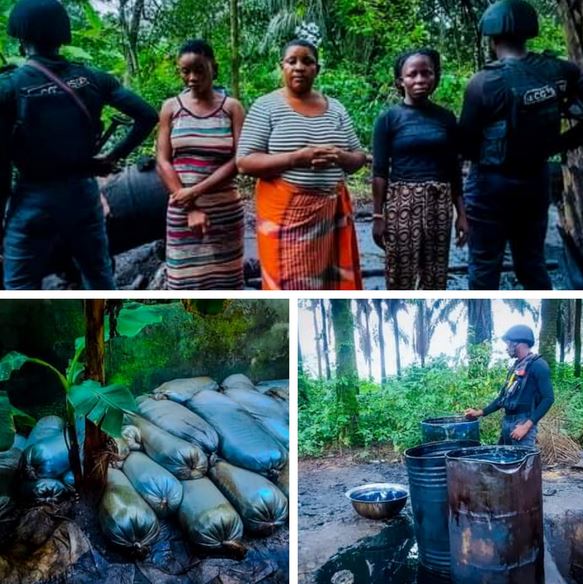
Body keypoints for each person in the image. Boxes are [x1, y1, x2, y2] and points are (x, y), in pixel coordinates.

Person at [0, 0, 158, 290]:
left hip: (34, 198)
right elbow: (147, 116)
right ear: (63, 34)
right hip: (83, 194)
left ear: (21, 39)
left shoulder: (10, 86)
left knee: (19, 287)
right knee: (99, 279)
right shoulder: (91, 77)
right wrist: (113, 156)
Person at [460, 0, 583, 290]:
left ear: (491, 38)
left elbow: (466, 144)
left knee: (484, 265)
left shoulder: (482, 83)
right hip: (536, 179)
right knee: (531, 263)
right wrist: (557, 144)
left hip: (491, 184)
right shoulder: (560, 71)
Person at [236, 39, 366, 290]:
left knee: (329, 290)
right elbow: (244, 162)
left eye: (307, 61)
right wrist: (298, 158)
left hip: (332, 216)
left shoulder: (336, 108)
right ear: (281, 67)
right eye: (291, 61)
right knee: (291, 288)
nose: (299, 67)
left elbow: (358, 157)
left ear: (317, 69)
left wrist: (340, 157)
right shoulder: (267, 107)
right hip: (287, 218)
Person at [372, 48, 468, 290]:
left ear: (435, 77)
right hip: (402, 202)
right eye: (412, 74)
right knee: (400, 272)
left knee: (436, 273)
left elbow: (453, 169)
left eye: (427, 73)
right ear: (400, 81)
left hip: (440, 202)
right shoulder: (388, 119)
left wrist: (462, 215)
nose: (420, 80)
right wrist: (377, 216)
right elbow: (380, 171)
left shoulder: (445, 118)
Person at [157, 39, 245, 290]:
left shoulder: (232, 108)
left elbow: (239, 159)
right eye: (186, 71)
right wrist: (190, 205)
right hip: (182, 211)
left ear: (213, 69)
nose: (192, 77)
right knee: (184, 287)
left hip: (224, 212)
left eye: (199, 70)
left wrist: (194, 192)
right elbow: (163, 160)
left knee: (227, 288)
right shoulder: (171, 108)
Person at [465, 324, 554, 448]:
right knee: (504, 463)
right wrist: (479, 412)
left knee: (522, 465)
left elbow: (548, 399)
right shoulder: (516, 367)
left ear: (517, 343)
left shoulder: (538, 365)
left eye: (508, 343)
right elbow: (502, 399)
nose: (506, 348)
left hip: (522, 423)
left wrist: (526, 426)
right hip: (508, 421)